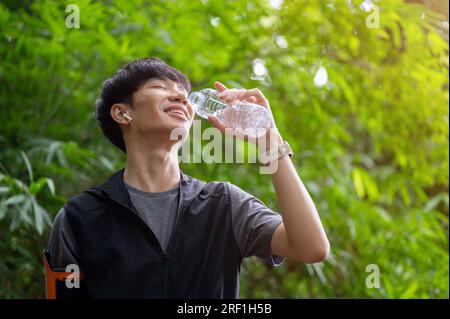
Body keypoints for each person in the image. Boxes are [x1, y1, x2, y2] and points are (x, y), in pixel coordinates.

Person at [46, 57, 330, 298]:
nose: (181, 96)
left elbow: (311, 247)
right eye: (160, 87)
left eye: (183, 92)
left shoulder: (223, 205)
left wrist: (271, 142)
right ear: (123, 113)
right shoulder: (80, 218)